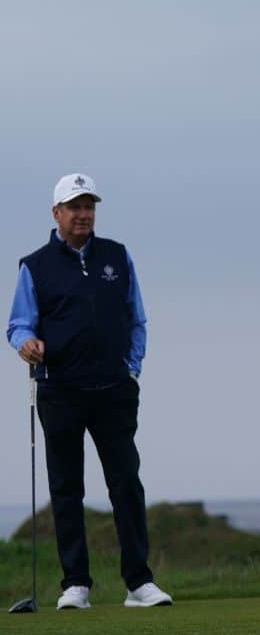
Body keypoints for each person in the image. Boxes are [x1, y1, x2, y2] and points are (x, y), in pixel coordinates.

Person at [6, 173, 172, 610]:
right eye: (75, 207)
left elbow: (137, 317)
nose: (83, 215)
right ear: (56, 213)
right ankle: (75, 584)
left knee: (126, 486)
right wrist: (25, 342)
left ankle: (139, 583)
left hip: (113, 390)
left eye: (89, 206)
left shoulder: (116, 256)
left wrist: (131, 367)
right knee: (66, 489)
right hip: (59, 390)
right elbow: (19, 323)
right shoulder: (35, 265)